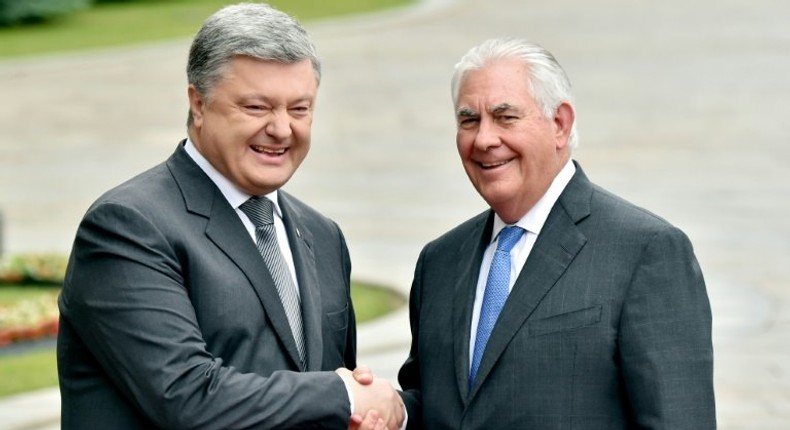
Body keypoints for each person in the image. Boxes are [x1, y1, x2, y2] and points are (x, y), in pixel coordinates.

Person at [57, 3, 403, 429]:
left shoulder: (323, 236)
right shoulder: (127, 227)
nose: (281, 129)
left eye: (299, 109)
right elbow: (187, 397)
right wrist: (345, 393)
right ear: (198, 104)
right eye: (257, 107)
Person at [397, 38, 716, 429]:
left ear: (560, 124)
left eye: (505, 117)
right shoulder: (439, 262)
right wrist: (389, 411)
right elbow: (434, 404)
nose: (484, 139)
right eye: (469, 121)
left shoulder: (645, 252)